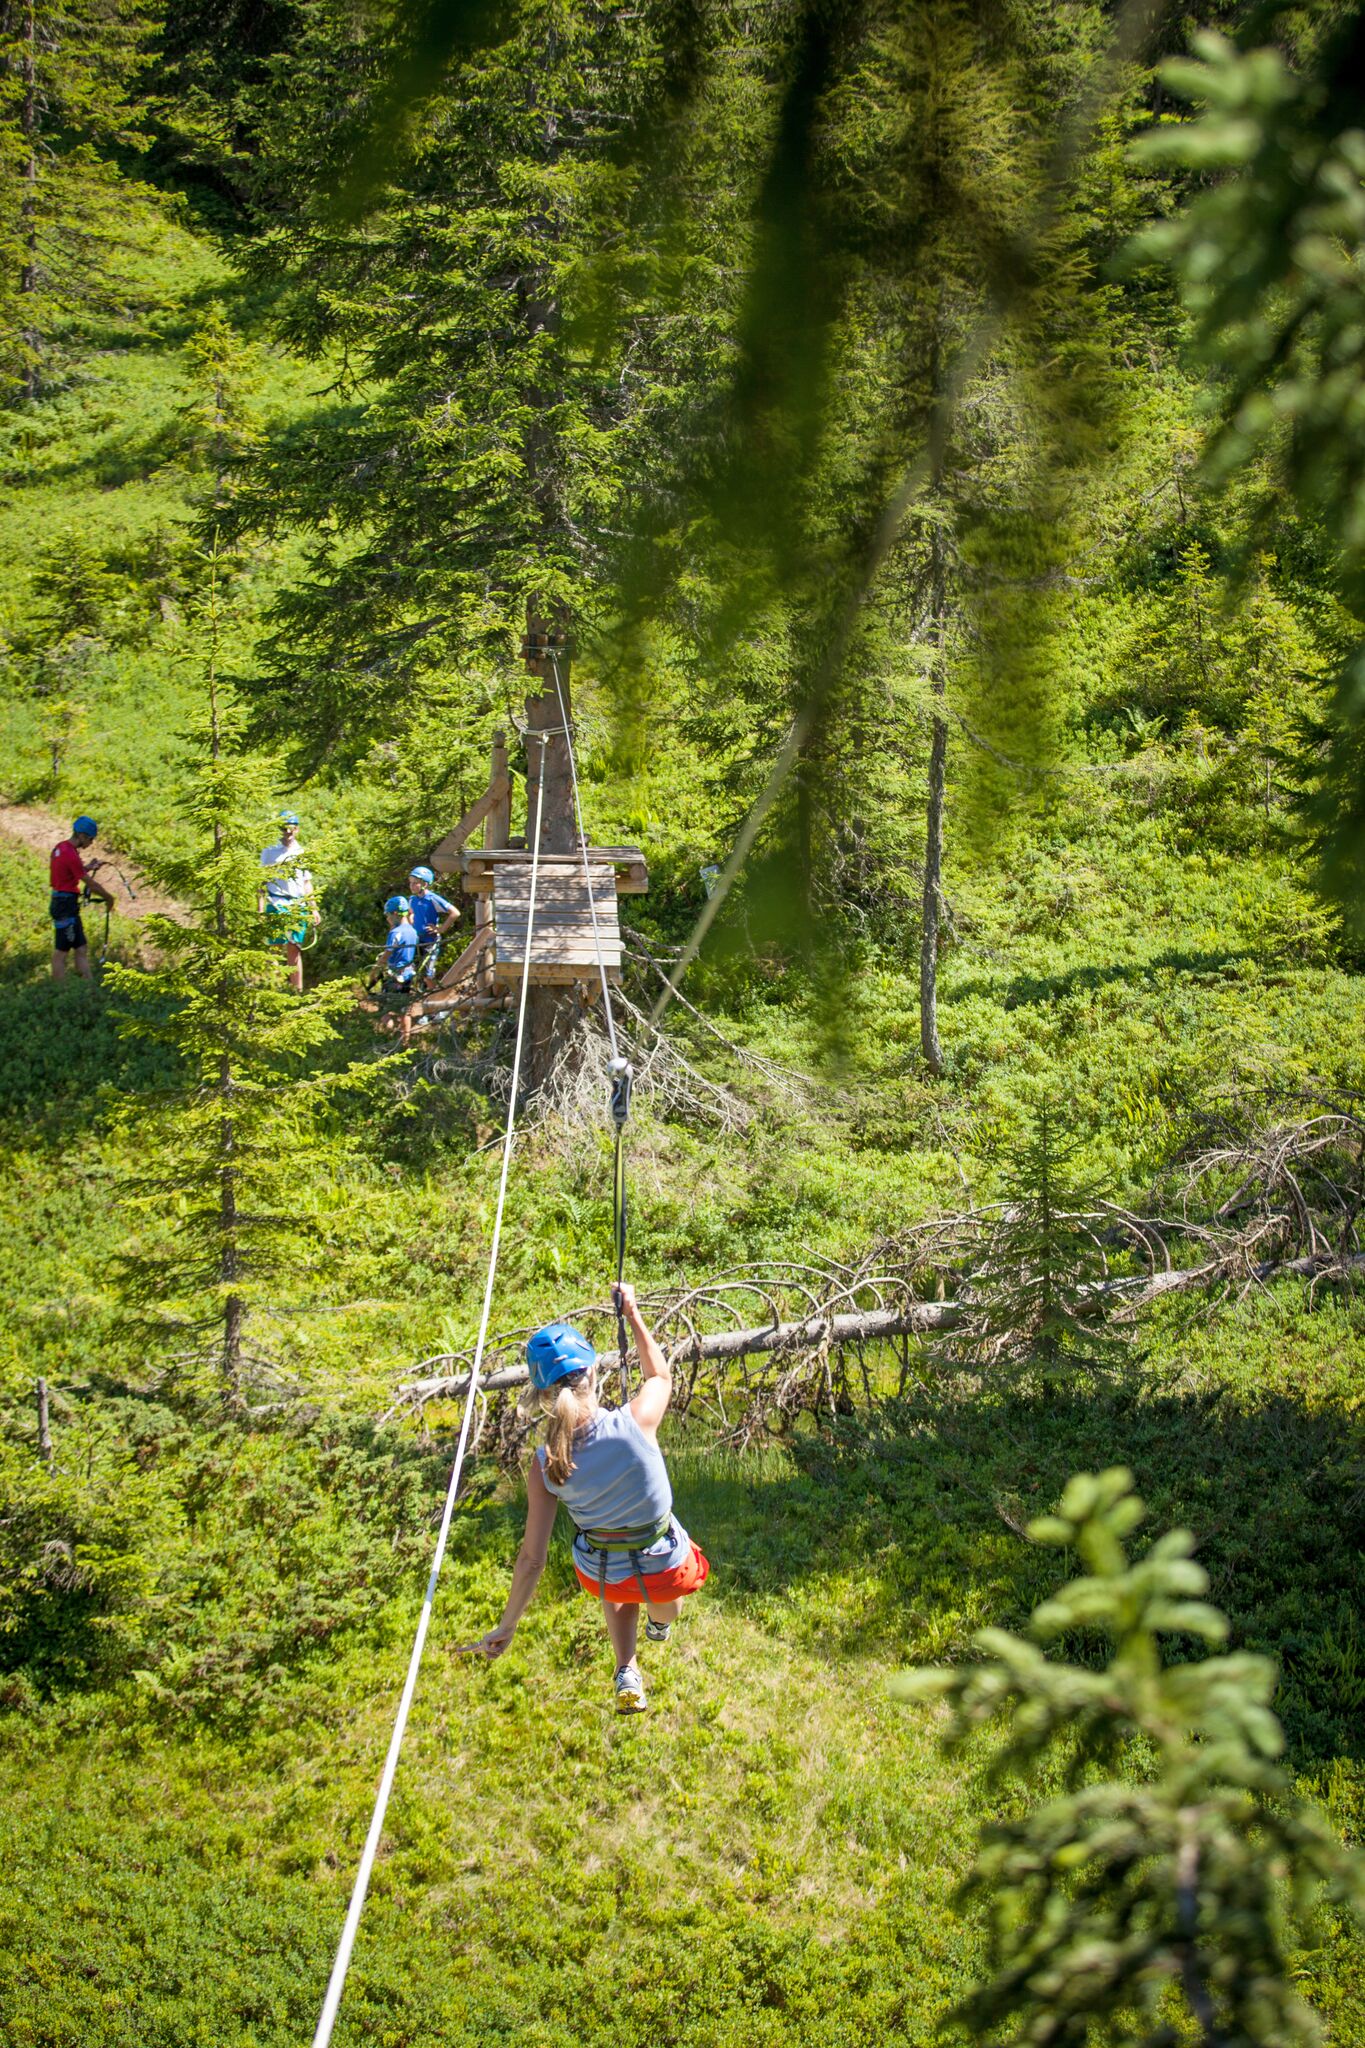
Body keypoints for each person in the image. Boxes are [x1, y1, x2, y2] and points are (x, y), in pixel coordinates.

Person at [460, 1284, 709, 1714]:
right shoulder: (635, 1421)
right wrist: (632, 1314)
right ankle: (657, 1624)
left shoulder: (545, 1463)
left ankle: (626, 1668)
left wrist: (508, 1624)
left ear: (541, 1394)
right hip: (664, 1564)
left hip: (601, 1571)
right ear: (592, 1374)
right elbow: (660, 1377)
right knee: (664, 1603)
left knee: (616, 1570)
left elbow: (532, 1559)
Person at [258, 810, 318, 993]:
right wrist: (261, 910)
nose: (288, 832)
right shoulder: (269, 852)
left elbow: (307, 883)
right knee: (275, 948)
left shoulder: (302, 852)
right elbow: (261, 883)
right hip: (276, 902)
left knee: (294, 948)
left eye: (292, 828)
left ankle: (297, 992)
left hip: (298, 905)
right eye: (285, 828)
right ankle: (274, 990)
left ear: (297, 829)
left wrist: (314, 908)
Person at [49, 815, 114, 982]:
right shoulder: (70, 854)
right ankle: (58, 991)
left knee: (81, 947)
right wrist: (109, 898)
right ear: (82, 835)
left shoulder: (61, 848)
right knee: (61, 951)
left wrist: (88, 867)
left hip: (67, 904)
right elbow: (92, 885)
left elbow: (67, 873)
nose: (91, 843)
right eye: (90, 839)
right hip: (64, 906)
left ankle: (88, 986)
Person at [374, 894, 419, 1047]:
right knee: (405, 1011)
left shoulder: (396, 933)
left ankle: (388, 1041)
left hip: (393, 975)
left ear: (395, 914)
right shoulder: (412, 931)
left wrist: (375, 970)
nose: (387, 919)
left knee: (385, 1011)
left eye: (388, 915)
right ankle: (405, 1042)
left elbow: (387, 953)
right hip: (408, 975)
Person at [406, 865, 459, 983]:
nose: (412, 886)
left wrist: (441, 929)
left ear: (425, 884)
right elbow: (411, 913)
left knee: (427, 974)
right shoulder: (412, 899)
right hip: (417, 939)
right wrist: (411, 919)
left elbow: (455, 913)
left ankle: (432, 992)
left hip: (431, 940)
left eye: (415, 883)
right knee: (411, 970)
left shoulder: (432, 898)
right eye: (410, 883)